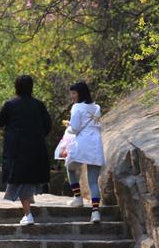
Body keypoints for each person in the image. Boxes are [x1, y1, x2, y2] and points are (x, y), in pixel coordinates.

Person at [0, 75, 52, 226]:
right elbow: (48, 125)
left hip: (17, 150)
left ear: (17, 87)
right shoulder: (38, 105)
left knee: (21, 180)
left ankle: (28, 214)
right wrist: (38, 136)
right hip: (36, 149)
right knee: (27, 180)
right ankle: (28, 211)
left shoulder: (11, 104)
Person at [64, 81, 105, 223]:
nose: (72, 96)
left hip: (82, 145)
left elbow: (74, 128)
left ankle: (78, 198)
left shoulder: (77, 107)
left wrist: (68, 125)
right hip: (95, 146)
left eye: (74, 93)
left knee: (69, 167)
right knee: (93, 181)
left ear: (80, 93)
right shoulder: (97, 107)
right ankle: (95, 212)